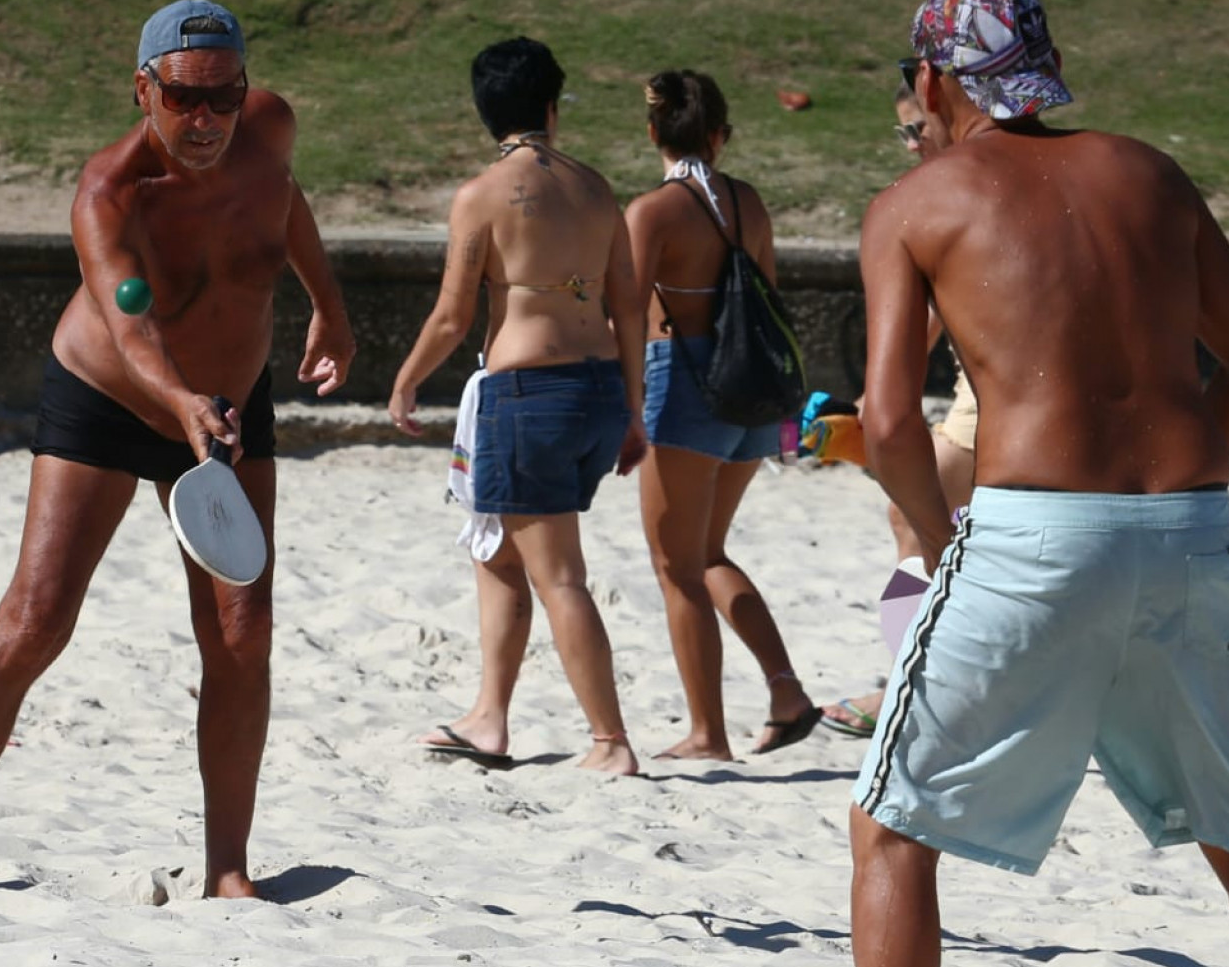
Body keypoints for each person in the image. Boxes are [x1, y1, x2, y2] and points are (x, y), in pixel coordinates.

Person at [841, 0, 1229, 967]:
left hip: (1032, 533)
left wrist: (932, 534)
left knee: (891, 821)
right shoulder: (1149, 173)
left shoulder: (919, 199)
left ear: (932, 77)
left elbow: (889, 415)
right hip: (1187, 526)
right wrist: (1184, 477)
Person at [0, 0, 356, 898]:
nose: (207, 119)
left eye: (225, 96)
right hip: (110, 398)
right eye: (184, 98)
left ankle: (227, 872)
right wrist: (177, 397)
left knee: (240, 634)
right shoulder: (109, 191)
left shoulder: (269, 129)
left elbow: (284, 205)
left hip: (226, 405)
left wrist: (329, 305)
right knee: (35, 621)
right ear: (142, 87)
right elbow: (126, 317)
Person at [388, 37, 647, 775]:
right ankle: (489, 718)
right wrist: (633, 409)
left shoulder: (483, 196)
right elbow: (629, 307)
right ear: (552, 106)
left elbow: (450, 317)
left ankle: (610, 739)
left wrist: (406, 381)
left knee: (558, 572)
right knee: (498, 552)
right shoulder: (598, 189)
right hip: (597, 388)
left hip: (528, 395)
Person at [623, 70, 821, 760]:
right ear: (720, 136)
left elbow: (626, 311)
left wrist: (622, 403)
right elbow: (764, 297)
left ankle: (707, 733)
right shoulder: (749, 202)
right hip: (754, 390)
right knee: (707, 553)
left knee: (675, 565)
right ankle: (786, 690)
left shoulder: (652, 212)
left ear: (654, 133)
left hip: (684, 381)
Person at [822, 62, 978, 739]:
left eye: (916, 128)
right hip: (1009, 397)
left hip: (995, 402)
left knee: (911, 519)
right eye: (902, 135)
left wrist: (877, 402)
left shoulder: (954, 193)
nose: (911, 144)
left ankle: (907, 690)